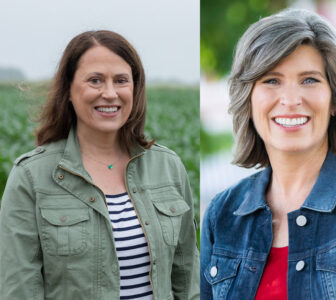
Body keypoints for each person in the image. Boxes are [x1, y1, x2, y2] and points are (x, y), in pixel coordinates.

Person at [200, 8, 336, 300]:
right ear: (249, 100)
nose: (291, 100)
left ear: (335, 100)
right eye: (271, 80)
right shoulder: (223, 215)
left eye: (309, 80)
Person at [0, 30, 199, 300]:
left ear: (134, 88)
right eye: (95, 80)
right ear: (68, 90)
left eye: (121, 81)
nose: (109, 93)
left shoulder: (169, 167)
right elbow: (19, 290)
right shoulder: (30, 177)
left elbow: (188, 283)